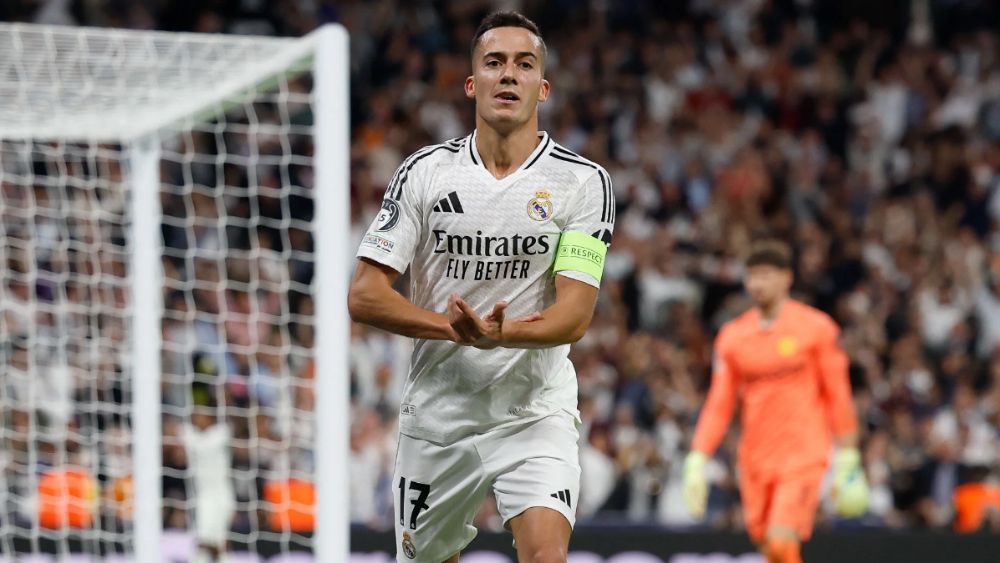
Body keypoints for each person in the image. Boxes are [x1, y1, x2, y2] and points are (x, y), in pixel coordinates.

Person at [348, 10, 614, 563]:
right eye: (494, 63)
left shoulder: (583, 183)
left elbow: (574, 316)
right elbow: (365, 295)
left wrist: (501, 334)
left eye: (524, 64)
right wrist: (451, 329)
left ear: (544, 87)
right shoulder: (425, 173)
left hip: (533, 411)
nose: (508, 74)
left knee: (546, 555)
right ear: (473, 83)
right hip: (439, 415)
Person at [682, 240, 868, 563]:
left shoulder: (816, 329)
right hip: (754, 458)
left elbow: (838, 393)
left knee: (781, 542)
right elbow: (720, 402)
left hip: (803, 454)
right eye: (752, 275)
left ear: (787, 278)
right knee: (771, 548)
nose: (757, 284)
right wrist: (698, 457)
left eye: (766, 275)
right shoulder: (733, 337)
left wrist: (849, 455)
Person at [183, 399, 235, 563]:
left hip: (222, 495)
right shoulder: (191, 436)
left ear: (211, 418)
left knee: (220, 542)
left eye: (201, 414)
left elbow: (201, 444)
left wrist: (186, 435)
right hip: (202, 496)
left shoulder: (221, 434)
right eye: (195, 415)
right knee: (203, 542)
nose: (197, 418)